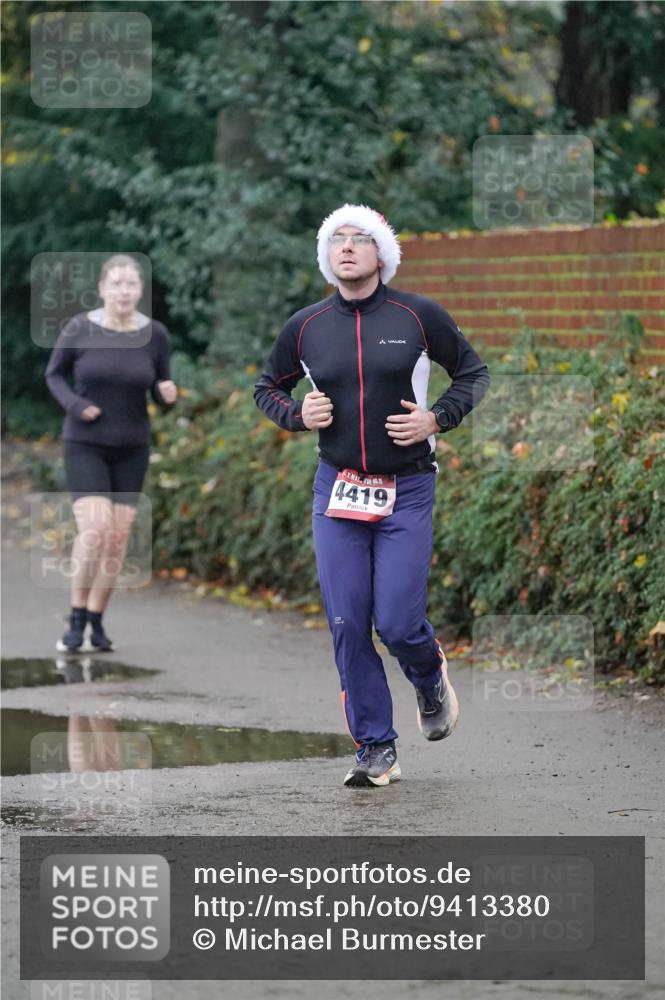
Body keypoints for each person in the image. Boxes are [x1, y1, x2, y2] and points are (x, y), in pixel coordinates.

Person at [254, 204, 490, 788]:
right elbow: (266, 387)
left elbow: (474, 373)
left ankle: (429, 675)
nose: (348, 247)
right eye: (338, 239)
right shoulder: (305, 327)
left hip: (406, 488)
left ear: (381, 254)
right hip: (337, 490)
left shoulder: (417, 315)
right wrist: (296, 413)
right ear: (326, 255)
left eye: (361, 239)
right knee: (346, 620)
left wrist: (437, 419)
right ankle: (375, 748)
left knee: (399, 621)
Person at [45, 254, 177, 653]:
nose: (123, 291)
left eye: (131, 284)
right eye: (116, 283)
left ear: (140, 291)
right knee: (96, 530)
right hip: (85, 442)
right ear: (102, 288)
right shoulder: (80, 328)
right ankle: (76, 616)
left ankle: (98, 622)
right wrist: (74, 405)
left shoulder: (155, 335)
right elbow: (54, 374)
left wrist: (167, 395)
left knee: (118, 539)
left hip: (132, 445)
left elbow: (160, 387)